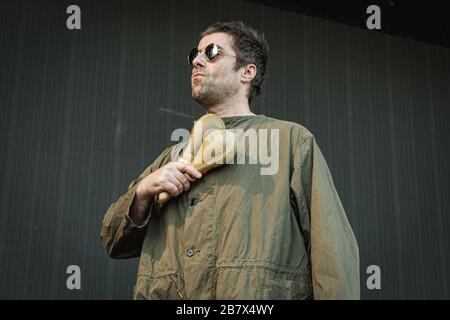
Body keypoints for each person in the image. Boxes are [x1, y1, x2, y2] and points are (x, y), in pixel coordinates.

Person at [101, 21, 360, 300]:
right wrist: (141, 195)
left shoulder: (290, 141)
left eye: (212, 52)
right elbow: (113, 242)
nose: (197, 61)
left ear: (248, 72)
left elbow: (332, 251)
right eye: (194, 54)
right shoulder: (172, 157)